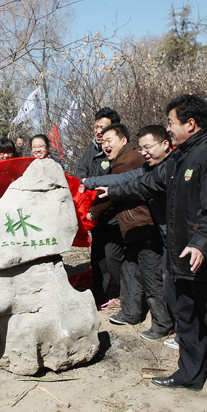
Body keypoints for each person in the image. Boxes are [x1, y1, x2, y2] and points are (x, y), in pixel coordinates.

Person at [104, 95, 207, 412]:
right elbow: (146, 184)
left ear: (190, 123)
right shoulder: (179, 158)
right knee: (188, 322)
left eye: (171, 123)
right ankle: (190, 374)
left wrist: (202, 243)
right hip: (182, 261)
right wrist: (112, 191)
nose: (168, 129)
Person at [88, 125, 178, 346]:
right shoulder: (130, 162)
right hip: (133, 227)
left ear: (123, 140)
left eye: (109, 140)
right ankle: (131, 312)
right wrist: (89, 182)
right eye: (102, 141)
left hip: (144, 225)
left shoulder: (128, 161)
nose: (105, 145)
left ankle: (163, 323)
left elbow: (126, 186)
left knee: (151, 275)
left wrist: (92, 212)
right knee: (130, 270)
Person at [73, 107, 124, 308]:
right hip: (94, 215)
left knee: (113, 257)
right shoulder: (91, 150)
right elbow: (80, 174)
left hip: (112, 215)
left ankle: (124, 296)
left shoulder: (117, 153)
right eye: (96, 127)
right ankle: (99, 296)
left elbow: (114, 187)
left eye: (103, 127)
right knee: (98, 258)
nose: (98, 131)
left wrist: (95, 208)